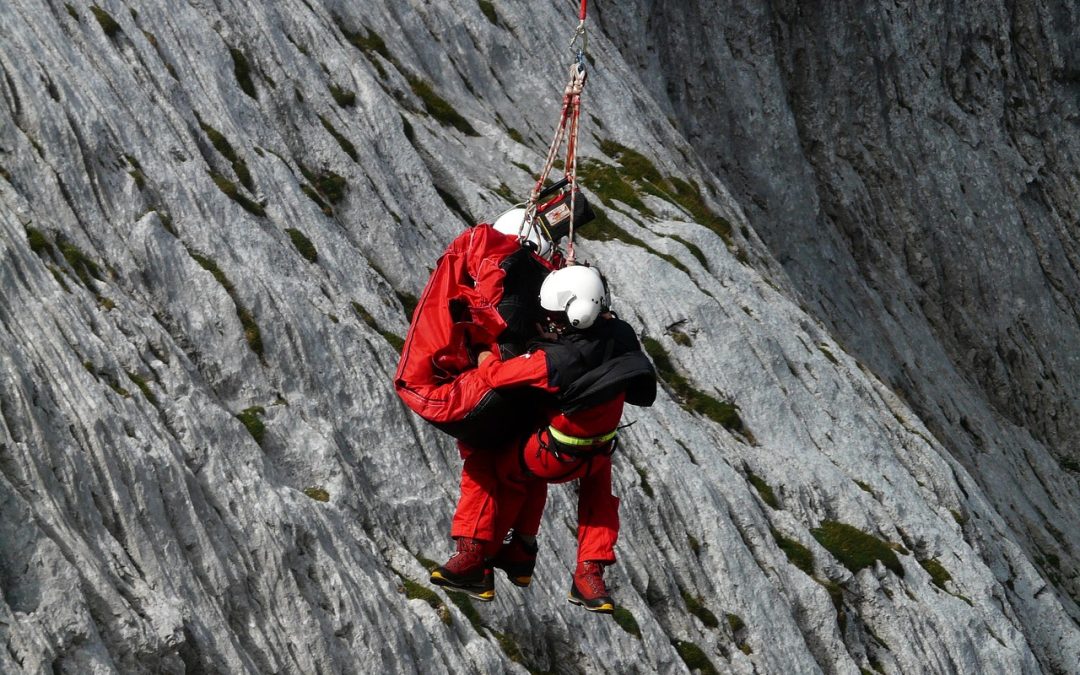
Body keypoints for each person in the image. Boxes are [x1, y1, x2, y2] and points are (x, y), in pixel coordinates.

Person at [430, 265, 657, 612]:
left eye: (555, 317)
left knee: (488, 463)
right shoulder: (620, 333)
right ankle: (587, 574)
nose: (550, 322)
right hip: (599, 452)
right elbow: (588, 336)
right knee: (597, 501)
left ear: (573, 316)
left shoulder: (555, 362)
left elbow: (496, 375)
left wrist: (482, 348)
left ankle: (475, 557)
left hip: (552, 456)